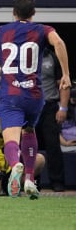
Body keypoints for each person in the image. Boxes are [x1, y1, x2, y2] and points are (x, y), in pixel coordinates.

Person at [0, 0, 71, 198]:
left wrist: (0, 71)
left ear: (13, 12)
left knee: (11, 139)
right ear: (34, 12)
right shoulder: (43, 30)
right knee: (29, 131)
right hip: (35, 96)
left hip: (12, 96)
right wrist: (66, 74)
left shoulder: (0, 32)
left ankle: (15, 166)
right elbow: (59, 43)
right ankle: (30, 179)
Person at [35, 47, 71, 192]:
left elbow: (63, 83)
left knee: (53, 145)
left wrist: (63, 108)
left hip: (49, 107)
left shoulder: (53, 57)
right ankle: (32, 181)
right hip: (30, 107)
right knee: (29, 146)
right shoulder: (25, 55)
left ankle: (57, 182)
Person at [0, 117, 46, 197]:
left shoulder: (25, 124)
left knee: (40, 159)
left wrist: (24, 154)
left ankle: (20, 184)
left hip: (17, 165)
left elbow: (30, 148)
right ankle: (3, 186)